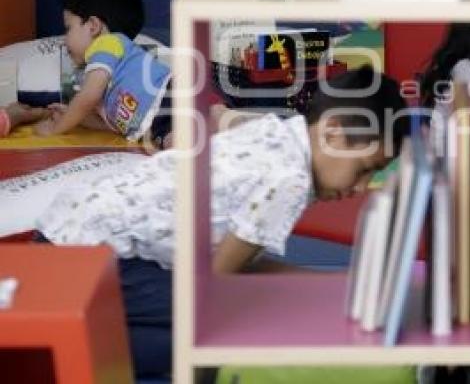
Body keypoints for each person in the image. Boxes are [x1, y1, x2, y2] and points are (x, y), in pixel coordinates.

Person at [35, 66, 410, 376]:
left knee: (210, 318)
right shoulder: (289, 181)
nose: (363, 187)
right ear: (331, 133)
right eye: (365, 169)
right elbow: (217, 285)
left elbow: (240, 264)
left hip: (68, 230)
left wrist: (334, 285)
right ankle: (67, 355)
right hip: (90, 254)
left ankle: (79, 346)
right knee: (218, 332)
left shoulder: (278, 131)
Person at [33, 0, 173, 148]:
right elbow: (112, 124)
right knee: (174, 143)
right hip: (156, 123)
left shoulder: (106, 44)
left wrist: (57, 128)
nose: (65, 39)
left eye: (68, 28)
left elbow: (89, 95)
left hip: (168, 96)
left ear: (93, 26)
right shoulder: (106, 78)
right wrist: (77, 118)